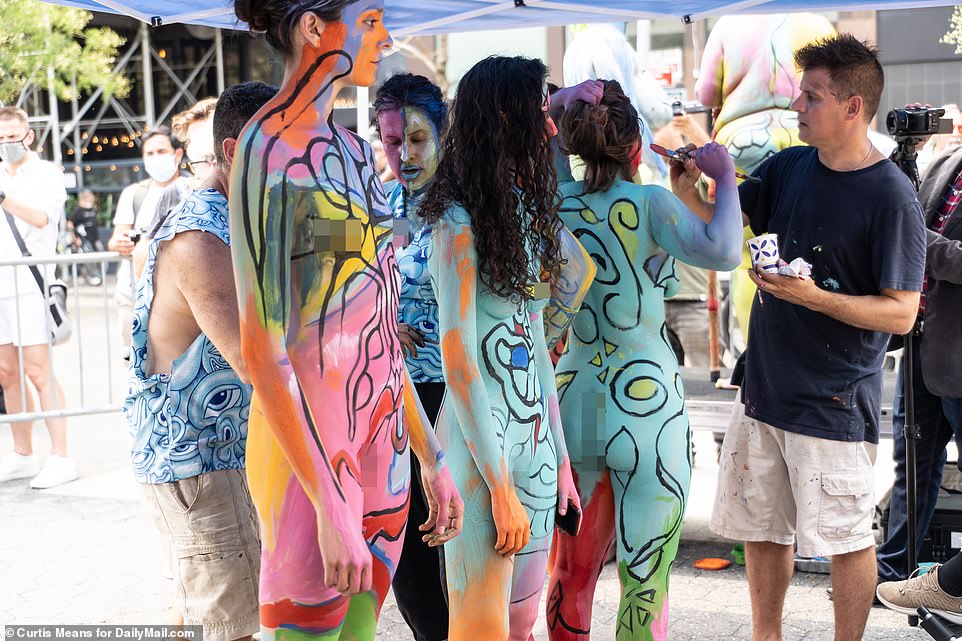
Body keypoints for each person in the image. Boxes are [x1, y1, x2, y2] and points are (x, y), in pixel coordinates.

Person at [679, 34, 926, 641]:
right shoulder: (789, 164)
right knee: (762, 527)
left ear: (852, 107)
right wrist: (689, 182)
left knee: (844, 539)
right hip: (762, 386)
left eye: (811, 97)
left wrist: (815, 298)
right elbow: (722, 225)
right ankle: (767, 635)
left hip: (835, 399)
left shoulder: (892, 197)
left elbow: (901, 314)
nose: (796, 108)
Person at [229, 2, 462, 639]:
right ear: (313, 27)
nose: (384, 37)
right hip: (312, 454)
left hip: (381, 444)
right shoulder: (266, 149)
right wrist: (331, 502)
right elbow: (263, 346)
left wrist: (431, 456)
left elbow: (378, 325)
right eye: (369, 20)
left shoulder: (359, 155)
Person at [545, 81, 742, 641]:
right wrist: (722, 175)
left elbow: (552, 144)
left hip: (575, 400)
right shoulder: (651, 204)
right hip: (649, 408)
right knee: (645, 579)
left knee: (570, 575)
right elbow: (726, 251)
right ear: (638, 149)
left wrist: (563, 105)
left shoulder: (555, 202)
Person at [419, 55, 583, 641]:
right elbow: (458, 361)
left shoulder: (523, 210)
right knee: (481, 629)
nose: (551, 126)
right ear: (506, 117)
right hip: (483, 458)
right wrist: (500, 488)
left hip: (535, 453)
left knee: (519, 625)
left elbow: (537, 340)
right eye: (541, 110)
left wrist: (560, 463)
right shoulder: (456, 222)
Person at [125, 81, 278, 641]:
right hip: (200, 460)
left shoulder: (247, 217)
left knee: (208, 612)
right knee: (227, 622)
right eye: (280, 148)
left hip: (231, 449)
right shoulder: (200, 238)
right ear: (236, 152)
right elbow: (254, 362)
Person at [695, 13, 836, 348]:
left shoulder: (731, 22)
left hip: (745, 135)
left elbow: (706, 93)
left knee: (749, 254)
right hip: (804, 130)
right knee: (812, 245)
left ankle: (751, 346)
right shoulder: (818, 22)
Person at [374, 72, 449, 641]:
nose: (404, 154)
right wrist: (377, 320)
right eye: (392, 141)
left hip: (462, 399)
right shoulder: (375, 204)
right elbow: (329, 281)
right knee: (412, 559)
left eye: (416, 139)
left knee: (465, 554)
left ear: (443, 132)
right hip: (396, 399)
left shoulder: (473, 202)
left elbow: (562, 277)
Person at [875, 144, 962, 586]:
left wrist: (919, 241)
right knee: (912, 467)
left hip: (959, 357)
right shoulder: (947, 161)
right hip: (920, 343)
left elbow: (931, 244)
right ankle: (892, 577)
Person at [0, 105, 74, 489]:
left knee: (37, 369)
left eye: (12, 136)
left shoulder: (47, 173)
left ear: (27, 135)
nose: (7, 144)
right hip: (0, 284)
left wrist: (3, 198)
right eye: (0, 139)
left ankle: (61, 455)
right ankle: (22, 452)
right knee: (6, 372)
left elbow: (44, 218)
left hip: (31, 282)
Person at [107, 126, 187, 351]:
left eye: (161, 151)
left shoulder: (191, 189)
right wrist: (121, 243)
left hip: (176, 294)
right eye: (149, 154)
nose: (155, 158)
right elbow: (116, 238)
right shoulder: (133, 193)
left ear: (177, 154)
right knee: (134, 357)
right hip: (133, 291)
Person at [132, 97, 218, 277]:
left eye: (206, 137)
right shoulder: (177, 193)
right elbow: (143, 258)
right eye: (192, 141)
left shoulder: (251, 188)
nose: (200, 147)